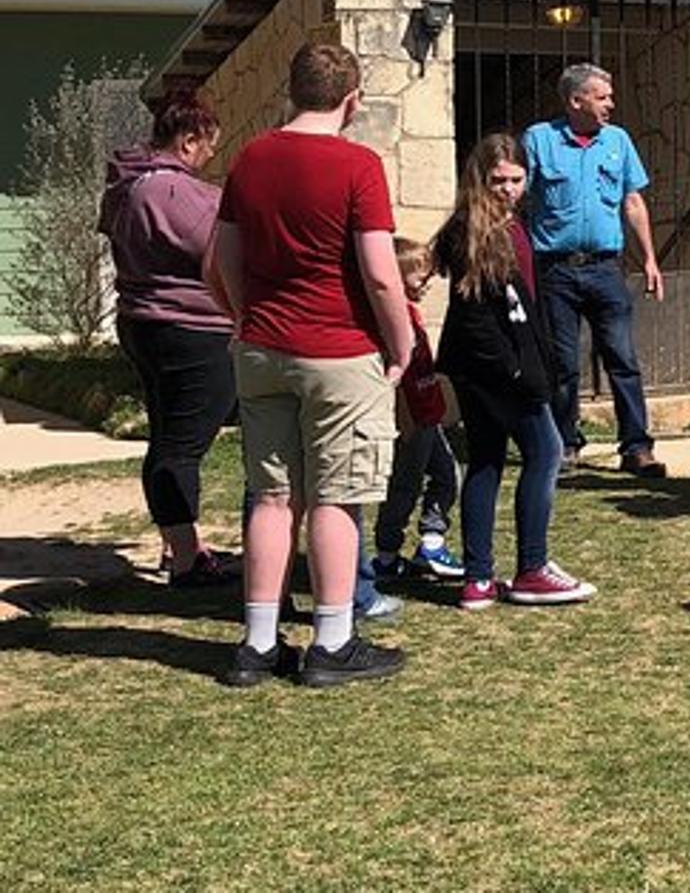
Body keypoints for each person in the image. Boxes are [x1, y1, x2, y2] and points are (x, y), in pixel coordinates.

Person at [209, 42, 410, 689]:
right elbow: (381, 275)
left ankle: (258, 643)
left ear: (291, 89)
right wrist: (402, 341)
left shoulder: (250, 158)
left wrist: (245, 316)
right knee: (335, 495)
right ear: (352, 99)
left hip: (262, 348)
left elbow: (220, 261)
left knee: (271, 496)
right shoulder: (359, 164)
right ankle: (332, 639)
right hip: (339, 349)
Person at [434, 134, 596, 610]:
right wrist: (517, 372)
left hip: (500, 363)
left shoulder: (510, 226)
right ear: (478, 180)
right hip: (495, 368)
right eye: (497, 180)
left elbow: (524, 303)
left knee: (486, 460)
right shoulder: (474, 231)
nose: (507, 189)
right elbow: (479, 318)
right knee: (544, 451)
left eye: (516, 179)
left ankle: (479, 577)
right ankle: (531, 568)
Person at [98, 93, 239, 587]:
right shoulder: (173, 193)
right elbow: (221, 249)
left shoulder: (127, 184)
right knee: (182, 445)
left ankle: (178, 545)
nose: (208, 159)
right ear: (188, 140)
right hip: (190, 328)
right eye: (207, 148)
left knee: (166, 437)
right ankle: (185, 558)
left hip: (142, 322)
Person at [522, 63, 667, 480]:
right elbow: (516, 195)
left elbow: (633, 203)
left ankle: (637, 448)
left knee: (623, 359)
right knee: (562, 364)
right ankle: (564, 445)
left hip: (606, 269)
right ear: (576, 101)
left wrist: (650, 260)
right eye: (602, 97)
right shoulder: (539, 140)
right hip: (555, 272)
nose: (610, 104)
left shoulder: (618, 141)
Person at [368, 238, 463, 581]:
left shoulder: (412, 312)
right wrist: (404, 419)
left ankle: (432, 541)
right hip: (411, 420)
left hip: (429, 414)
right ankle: (386, 553)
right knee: (403, 487)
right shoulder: (390, 320)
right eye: (419, 278)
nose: (427, 283)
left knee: (448, 475)